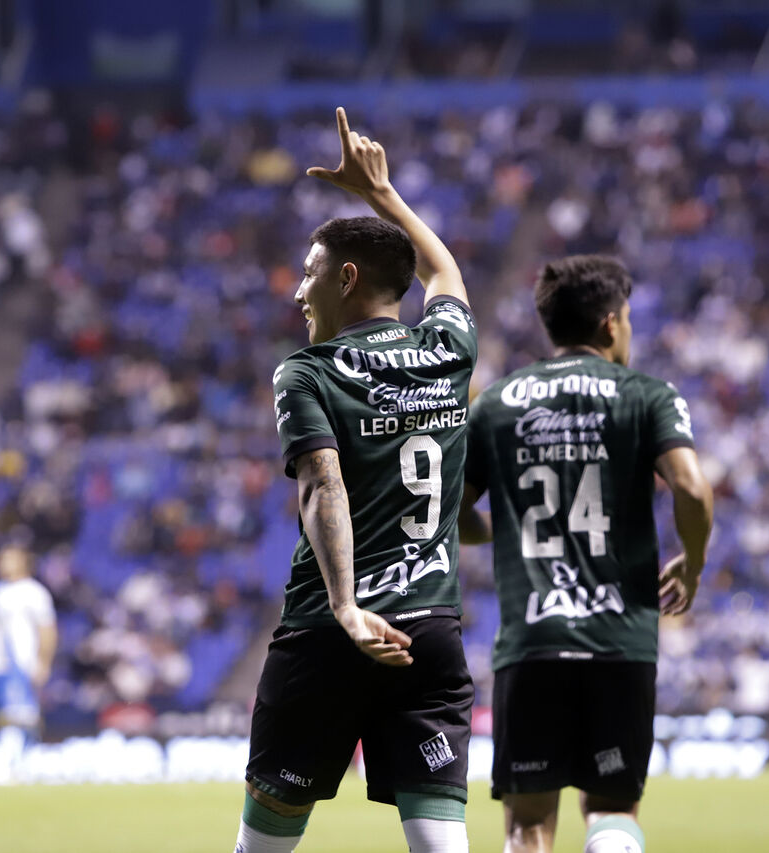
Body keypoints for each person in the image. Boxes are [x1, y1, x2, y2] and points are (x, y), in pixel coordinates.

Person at [234, 107, 477, 853]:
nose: (298, 293)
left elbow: (322, 486)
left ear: (346, 277)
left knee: (266, 842)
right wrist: (383, 194)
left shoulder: (308, 371)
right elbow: (445, 274)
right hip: (430, 631)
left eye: (309, 274)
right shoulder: (448, 350)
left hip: (328, 634)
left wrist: (345, 606)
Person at [457, 255, 714, 853]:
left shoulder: (498, 401)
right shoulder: (647, 395)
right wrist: (693, 563)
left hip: (533, 641)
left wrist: (503, 528)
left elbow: (449, 512)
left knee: (527, 826)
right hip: (619, 643)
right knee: (611, 810)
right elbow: (693, 489)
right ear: (610, 323)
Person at [0, 544, 57, 784]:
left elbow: (47, 630)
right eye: (1, 559)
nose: (2, 564)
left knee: (21, 715)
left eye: (8, 559)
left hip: (19, 664)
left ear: (23, 561)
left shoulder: (35, 592)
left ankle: (21, 762)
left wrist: (44, 661)